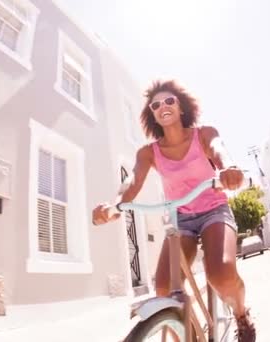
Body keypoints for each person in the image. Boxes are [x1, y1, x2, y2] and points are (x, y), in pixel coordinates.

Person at [92, 80, 256, 341]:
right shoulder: (148, 153)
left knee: (221, 273)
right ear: (152, 114)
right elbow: (132, 181)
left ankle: (241, 315)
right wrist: (115, 206)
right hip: (181, 219)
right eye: (155, 105)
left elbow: (219, 149)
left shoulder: (203, 134)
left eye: (169, 101)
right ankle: (186, 333)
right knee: (164, 287)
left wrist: (228, 169)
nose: (162, 106)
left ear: (181, 108)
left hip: (214, 210)